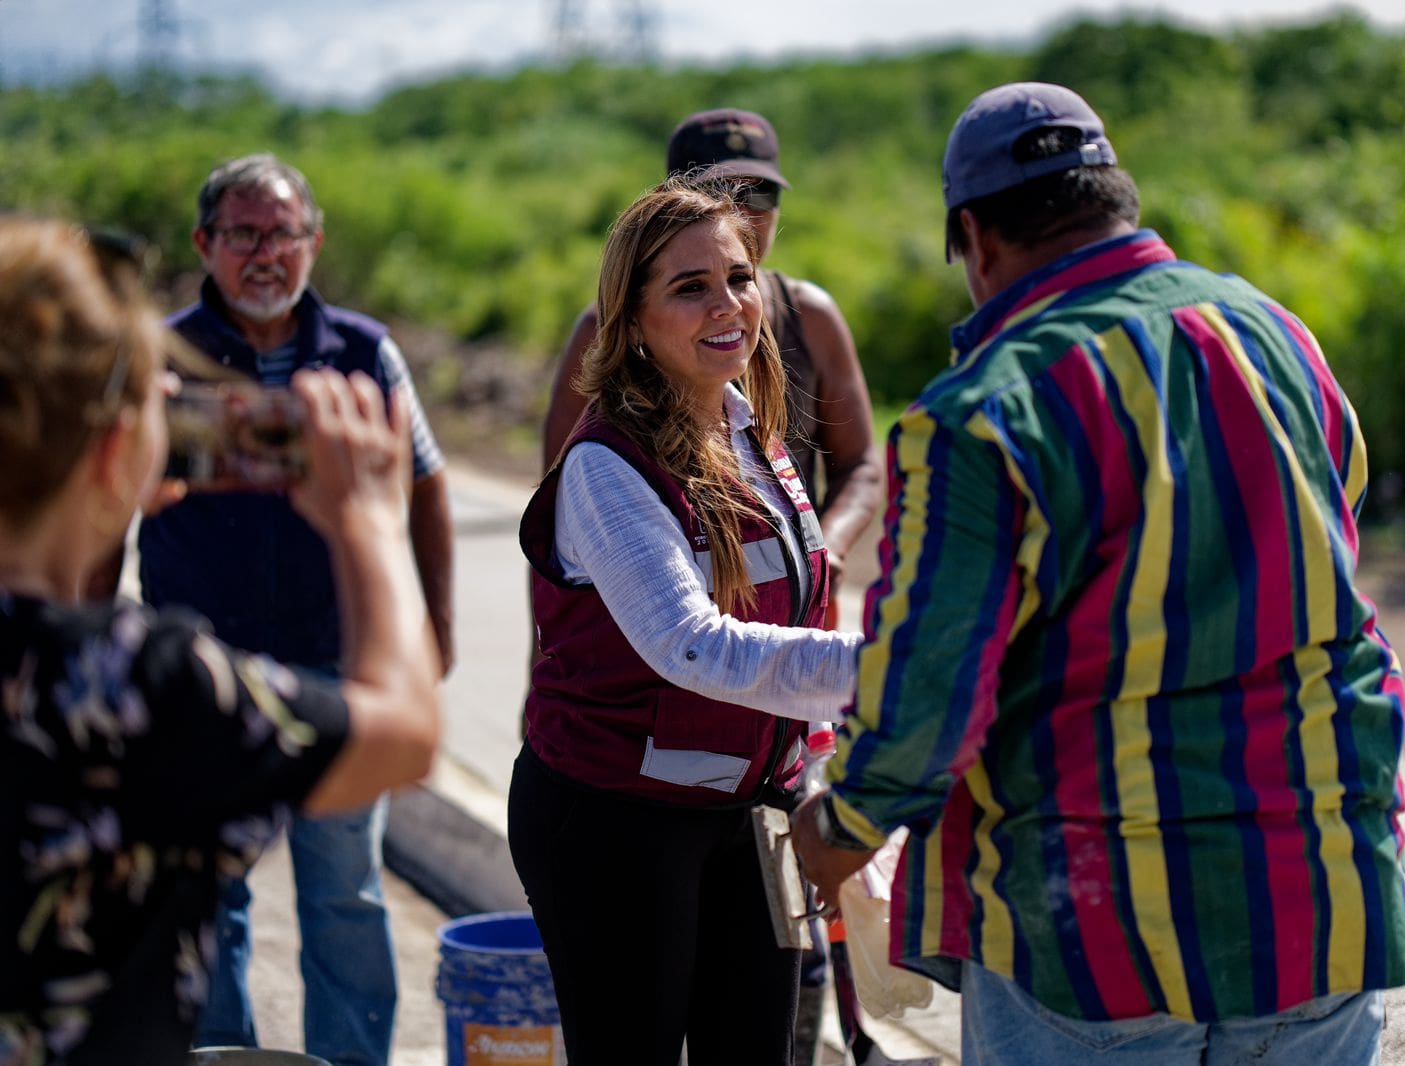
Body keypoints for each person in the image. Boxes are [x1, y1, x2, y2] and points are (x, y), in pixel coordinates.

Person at [793, 82, 1405, 1066]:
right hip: (1320, 897)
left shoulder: (983, 414)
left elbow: (930, 692)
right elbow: (1335, 557)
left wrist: (840, 823)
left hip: (1095, 936)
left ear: (975, 238)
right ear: (1114, 199)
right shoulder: (1277, 339)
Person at [0, 217, 441, 1063]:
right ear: (116, 449)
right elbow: (404, 736)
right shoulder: (134, 681)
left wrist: (97, 503)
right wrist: (370, 526)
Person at [509, 180, 861, 1066]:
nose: (728, 305)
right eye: (689, 286)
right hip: (615, 823)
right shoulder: (604, 466)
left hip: (753, 815)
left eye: (740, 278)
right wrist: (892, 669)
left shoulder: (755, 435)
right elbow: (691, 646)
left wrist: (812, 766)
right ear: (628, 320)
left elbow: (806, 607)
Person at [136, 154, 454, 1065]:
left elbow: (427, 488)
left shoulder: (363, 352)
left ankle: (350, 1062)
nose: (266, 253)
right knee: (209, 894)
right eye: (244, 233)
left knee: (345, 889)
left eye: (283, 233)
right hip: (201, 668)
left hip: (337, 662)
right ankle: (221, 1058)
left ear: (314, 242)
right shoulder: (161, 354)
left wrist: (435, 626)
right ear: (205, 245)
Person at [541, 108, 883, 621]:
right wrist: (542, 658)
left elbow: (860, 465)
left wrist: (824, 550)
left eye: (760, 194)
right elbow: (565, 510)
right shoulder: (606, 330)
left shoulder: (810, 316)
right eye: (721, 193)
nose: (741, 214)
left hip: (800, 605)